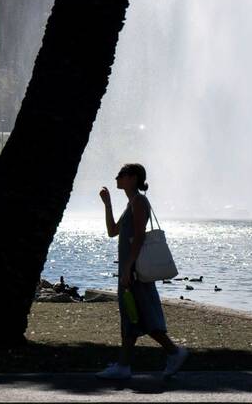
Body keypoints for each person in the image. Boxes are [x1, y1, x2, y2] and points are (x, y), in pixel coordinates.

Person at [96, 162, 189, 381]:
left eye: (121, 174)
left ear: (133, 178)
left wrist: (128, 267)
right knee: (131, 318)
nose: (117, 178)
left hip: (135, 269)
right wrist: (108, 204)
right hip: (129, 268)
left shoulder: (140, 202)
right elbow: (112, 232)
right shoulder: (131, 204)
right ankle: (124, 365)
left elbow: (139, 237)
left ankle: (174, 352)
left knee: (143, 317)